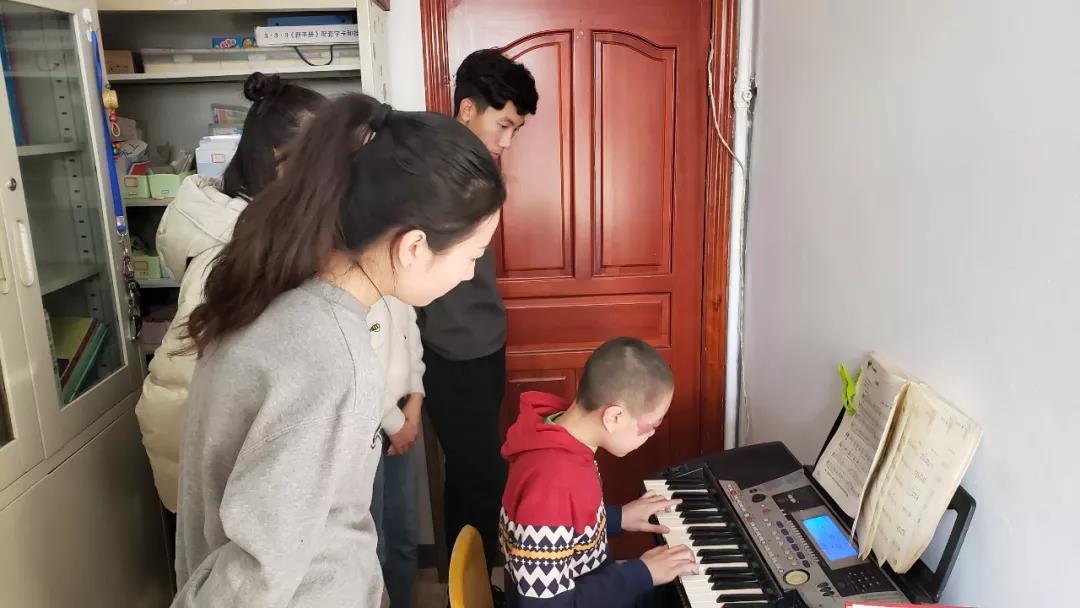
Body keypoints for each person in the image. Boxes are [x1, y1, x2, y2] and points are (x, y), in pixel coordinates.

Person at [170, 94, 506, 607]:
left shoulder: (282, 297)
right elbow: (255, 577)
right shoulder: (329, 358)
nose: (470, 273)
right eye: (473, 254)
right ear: (414, 247)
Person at [134, 72, 326, 515]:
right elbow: (180, 391)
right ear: (280, 160)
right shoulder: (230, 258)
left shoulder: (269, 234)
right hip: (224, 490)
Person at [420, 47, 539, 575]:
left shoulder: (472, 168)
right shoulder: (428, 171)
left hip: (483, 343)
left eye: (516, 129)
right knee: (480, 480)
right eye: (503, 125)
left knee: (476, 477)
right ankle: (471, 588)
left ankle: (472, 584)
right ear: (467, 109)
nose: (506, 141)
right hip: (450, 352)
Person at [499, 338, 699, 607]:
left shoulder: (558, 436)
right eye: (651, 425)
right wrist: (641, 573)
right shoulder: (552, 483)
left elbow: (565, 530)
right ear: (614, 416)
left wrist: (616, 518)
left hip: (592, 584)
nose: (652, 434)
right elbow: (545, 605)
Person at [368, 293, 425, 608]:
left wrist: (415, 397)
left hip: (402, 418)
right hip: (371, 427)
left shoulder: (396, 287)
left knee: (403, 532)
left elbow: (409, 336)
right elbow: (362, 368)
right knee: (374, 542)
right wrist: (394, 424)